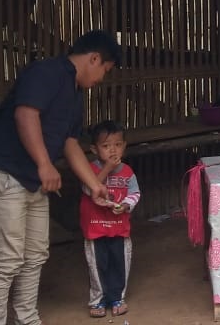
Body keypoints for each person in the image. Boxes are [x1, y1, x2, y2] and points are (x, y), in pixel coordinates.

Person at [0, 29, 121, 325]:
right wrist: (44, 163)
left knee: (36, 254)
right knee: (7, 260)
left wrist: (94, 186)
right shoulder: (46, 72)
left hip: (34, 181)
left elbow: (69, 143)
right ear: (94, 58)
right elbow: (26, 114)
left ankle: (28, 319)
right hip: (4, 174)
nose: (102, 79)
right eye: (105, 70)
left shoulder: (76, 95)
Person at [80, 120, 141, 318]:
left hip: (119, 227)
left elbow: (135, 193)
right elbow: (89, 189)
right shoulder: (88, 169)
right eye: (106, 146)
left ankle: (117, 298)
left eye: (117, 145)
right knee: (98, 265)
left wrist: (126, 205)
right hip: (95, 228)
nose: (112, 150)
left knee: (119, 263)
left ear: (124, 146)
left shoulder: (128, 172)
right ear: (94, 149)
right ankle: (98, 300)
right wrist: (105, 169)